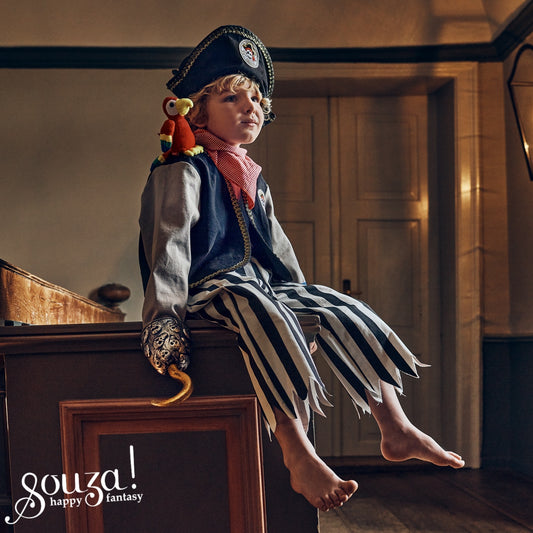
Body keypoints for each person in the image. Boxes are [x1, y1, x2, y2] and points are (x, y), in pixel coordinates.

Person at [139, 25, 465, 513]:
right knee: (257, 306)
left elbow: (278, 249)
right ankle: (296, 449)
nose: (250, 108)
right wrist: (165, 317)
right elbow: (169, 244)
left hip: (260, 285)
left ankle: (394, 424)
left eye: (257, 100)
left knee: (340, 305)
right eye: (232, 98)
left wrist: (303, 301)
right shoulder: (183, 167)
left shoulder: (251, 176)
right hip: (209, 288)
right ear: (198, 109)